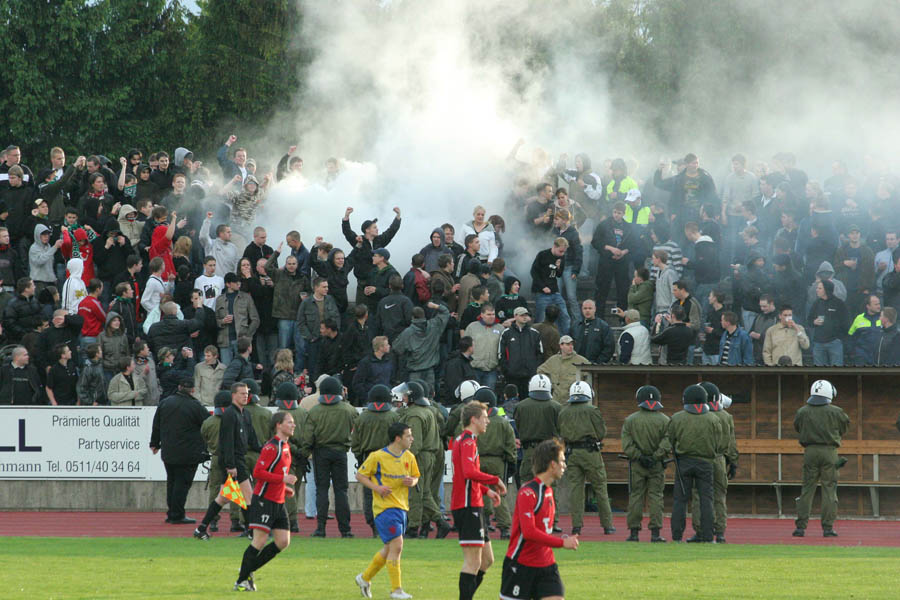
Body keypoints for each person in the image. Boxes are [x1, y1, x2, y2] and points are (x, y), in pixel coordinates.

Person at [500, 438, 578, 600]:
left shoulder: (548, 491)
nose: (565, 465)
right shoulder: (527, 492)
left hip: (546, 565)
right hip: (520, 565)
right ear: (552, 464)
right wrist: (562, 542)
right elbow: (529, 533)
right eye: (562, 461)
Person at [233, 411, 297, 592]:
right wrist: (283, 480)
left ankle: (248, 570)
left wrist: (284, 489)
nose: (293, 425)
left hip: (278, 500)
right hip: (264, 500)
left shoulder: (285, 446)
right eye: (290, 422)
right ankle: (240, 581)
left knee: (283, 542)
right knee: (259, 541)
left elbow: (275, 475)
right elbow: (258, 473)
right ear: (278, 425)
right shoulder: (271, 447)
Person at [355, 422, 419, 600]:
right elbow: (360, 475)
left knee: (388, 548)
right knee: (397, 546)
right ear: (398, 438)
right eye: (408, 435)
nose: (411, 438)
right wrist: (377, 488)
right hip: (384, 509)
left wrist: (411, 482)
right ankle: (396, 590)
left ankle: (364, 578)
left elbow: (415, 477)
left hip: (402, 507)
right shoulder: (378, 456)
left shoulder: (409, 457)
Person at [451, 400, 506, 600]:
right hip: (467, 506)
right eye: (484, 418)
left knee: (487, 560)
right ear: (473, 419)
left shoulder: (465, 440)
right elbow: (469, 472)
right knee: (473, 562)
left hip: (474, 503)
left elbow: (464, 477)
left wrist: (486, 491)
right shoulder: (467, 442)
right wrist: (495, 480)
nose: (488, 422)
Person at [194, 382, 261, 540]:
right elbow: (227, 442)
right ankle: (251, 531)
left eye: (246, 393)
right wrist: (230, 465)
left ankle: (201, 528)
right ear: (233, 396)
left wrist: (265, 449)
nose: (245, 396)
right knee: (247, 496)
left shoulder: (245, 414)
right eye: (242, 393)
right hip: (235, 462)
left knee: (224, 498)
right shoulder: (230, 415)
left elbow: (252, 439)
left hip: (239, 460)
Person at [301, 375, 359, 537]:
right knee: (341, 491)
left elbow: (308, 437)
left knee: (321, 490)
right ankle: (345, 529)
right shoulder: (349, 410)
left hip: (321, 453)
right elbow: (357, 432)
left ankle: (321, 528)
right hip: (340, 453)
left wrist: (305, 455)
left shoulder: (315, 411)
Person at [793, 380, 850, 538]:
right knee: (829, 490)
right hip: (829, 452)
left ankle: (800, 527)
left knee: (807, 489)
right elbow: (845, 426)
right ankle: (827, 528)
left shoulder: (802, 411)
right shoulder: (837, 411)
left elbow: (797, 427)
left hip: (809, 451)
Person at [149, 376, 209, 525]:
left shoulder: (165, 402)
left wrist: (154, 443)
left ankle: (172, 513)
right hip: (189, 452)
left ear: (179, 387)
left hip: (169, 451)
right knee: (182, 484)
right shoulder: (195, 406)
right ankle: (177, 514)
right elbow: (208, 424)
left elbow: (156, 424)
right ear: (193, 390)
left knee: (172, 482)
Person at [667, 384, 723, 543]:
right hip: (706, 463)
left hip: (683, 462)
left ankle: (677, 536)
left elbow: (670, 439)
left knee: (680, 500)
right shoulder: (714, 419)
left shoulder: (677, 418)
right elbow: (719, 444)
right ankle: (707, 536)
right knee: (706, 500)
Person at [558, 380, 614, 536]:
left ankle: (576, 526)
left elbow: (560, 431)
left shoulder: (563, 412)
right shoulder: (592, 410)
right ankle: (607, 525)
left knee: (576, 490)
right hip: (590, 453)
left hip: (572, 453)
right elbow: (601, 432)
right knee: (600, 488)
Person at [399, 381, 451, 539]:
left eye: (406, 395)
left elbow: (415, 443)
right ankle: (440, 522)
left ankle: (413, 527)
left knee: (416, 492)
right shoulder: (428, 410)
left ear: (412, 396)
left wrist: (405, 458)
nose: (403, 397)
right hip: (430, 455)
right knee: (425, 492)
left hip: (420, 456)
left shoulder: (415, 414)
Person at [691, 382, 739, 544]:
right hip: (720, 460)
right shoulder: (726, 416)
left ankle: (700, 531)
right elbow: (731, 443)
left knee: (699, 495)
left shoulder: (698, 415)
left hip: (701, 459)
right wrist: (733, 462)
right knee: (720, 496)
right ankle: (720, 532)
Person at [621, 385, 670, 542]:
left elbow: (627, 445)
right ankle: (655, 533)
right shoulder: (665, 420)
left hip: (637, 465)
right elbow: (668, 442)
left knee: (636, 496)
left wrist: (639, 457)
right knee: (656, 496)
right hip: (657, 465)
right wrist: (656, 456)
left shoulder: (630, 420)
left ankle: (634, 532)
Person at [351, 384, 401, 537]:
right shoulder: (394, 417)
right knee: (389, 492)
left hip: (368, 458)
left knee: (369, 493)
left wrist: (361, 458)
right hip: (389, 458)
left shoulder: (362, 417)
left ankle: (373, 526)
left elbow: (356, 443)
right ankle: (389, 525)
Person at [468, 387, 516, 540]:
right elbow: (510, 445)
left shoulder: (474, 422)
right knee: (499, 493)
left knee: (480, 491)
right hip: (498, 461)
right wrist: (511, 461)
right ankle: (505, 528)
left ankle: (484, 522)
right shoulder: (503, 422)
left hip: (478, 459)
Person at [515, 374, 561, 487]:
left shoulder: (520, 406)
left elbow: (518, 426)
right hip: (550, 451)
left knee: (527, 486)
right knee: (549, 488)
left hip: (529, 451)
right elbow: (560, 429)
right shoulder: (557, 407)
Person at [392, 302, 450, 389]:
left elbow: (396, 348)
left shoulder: (407, 333)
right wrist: (435, 306)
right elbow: (445, 312)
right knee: (429, 398)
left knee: (415, 396)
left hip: (414, 371)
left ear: (412, 317)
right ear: (424, 315)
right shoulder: (434, 325)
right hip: (430, 370)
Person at [592, 202, 634, 314]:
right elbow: (595, 242)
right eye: (615, 212)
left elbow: (633, 245)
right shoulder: (604, 225)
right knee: (602, 288)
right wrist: (610, 248)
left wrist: (623, 252)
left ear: (623, 213)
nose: (616, 215)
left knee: (623, 289)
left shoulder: (628, 227)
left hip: (622, 262)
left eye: (619, 213)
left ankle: (622, 315)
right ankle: (599, 315)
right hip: (606, 261)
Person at [498, 307, 543, 398]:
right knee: (511, 402)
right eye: (522, 315)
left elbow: (540, 353)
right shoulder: (506, 333)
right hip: (512, 376)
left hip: (529, 376)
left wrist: (534, 369)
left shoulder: (535, 333)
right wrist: (507, 370)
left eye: (526, 315)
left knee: (527, 401)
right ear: (515, 316)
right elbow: (500, 353)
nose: (525, 317)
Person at [530, 237, 571, 335]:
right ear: (554, 246)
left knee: (564, 315)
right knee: (541, 318)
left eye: (564, 252)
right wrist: (543, 287)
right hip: (541, 292)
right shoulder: (543, 255)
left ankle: (564, 340)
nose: (562, 254)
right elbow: (533, 272)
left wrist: (558, 267)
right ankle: (538, 340)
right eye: (560, 251)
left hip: (554, 291)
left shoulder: (561, 257)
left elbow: (559, 275)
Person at [536, 336, 589, 404]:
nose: (571, 347)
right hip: (556, 400)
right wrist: (550, 385)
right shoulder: (553, 360)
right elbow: (540, 371)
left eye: (572, 344)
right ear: (561, 345)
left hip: (574, 401)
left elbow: (590, 375)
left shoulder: (581, 360)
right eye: (567, 344)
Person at [463, 303, 505, 390]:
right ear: (482, 315)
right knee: (474, 395)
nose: (492, 316)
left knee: (488, 395)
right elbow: (464, 346)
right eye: (488, 314)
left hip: (492, 369)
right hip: (474, 368)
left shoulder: (500, 328)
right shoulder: (472, 327)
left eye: (493, 314)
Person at [809, 279, 849, 366]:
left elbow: (846, 322)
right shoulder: (816, 303)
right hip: (818, 343)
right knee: (819, 371)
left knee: (836, 371)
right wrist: (814, 322)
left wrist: (839, 337)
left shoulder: (839, 303)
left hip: (834, 342)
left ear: (826, 290)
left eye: (819, 288)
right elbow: (809, 320)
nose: (817, 290)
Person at [571, 299, 614, 365]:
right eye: (585, 308)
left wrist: (598, 363)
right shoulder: (575, 326)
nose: (587, 310)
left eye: (590, 308)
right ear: (582, 310)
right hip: (576, 364)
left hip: (595, 365)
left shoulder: (603, 326)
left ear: (595, 309)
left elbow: (609, 348)